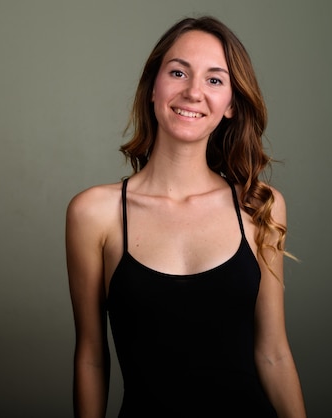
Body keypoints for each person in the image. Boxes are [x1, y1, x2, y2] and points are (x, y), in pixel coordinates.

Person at [66, 16, 306, 417]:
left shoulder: (259, 206)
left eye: (215, 80)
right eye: (178, 72)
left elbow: (274, 354)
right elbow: (91, 357)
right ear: (153, 88)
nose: (193, 92)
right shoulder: (94, 213)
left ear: (231, 104)